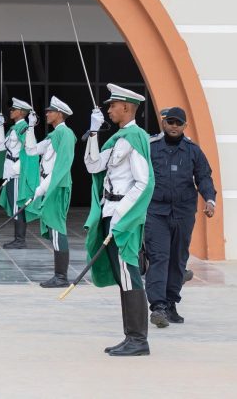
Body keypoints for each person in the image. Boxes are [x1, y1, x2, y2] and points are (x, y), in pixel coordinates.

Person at [84, 83, 154, 356]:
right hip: (110, 213)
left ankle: (138, 339)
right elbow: (93, 165)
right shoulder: (119, 139)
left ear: (126, 107)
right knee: (122, 275)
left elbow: (144, 182)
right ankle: (131, 337)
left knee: (129, 273)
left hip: (122, 218)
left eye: (112, 105)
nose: (109, 110)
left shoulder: (135, 137)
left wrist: (121, 216)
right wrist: (93, 133)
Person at [145, 106, 216, 327]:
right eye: (170, 122)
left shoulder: (193, 151)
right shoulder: (151, 147)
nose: (174, 126)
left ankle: (170, 303)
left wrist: (210, 200)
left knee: (178, 259)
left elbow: (204, 176)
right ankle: (158, 306)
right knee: (159, 257)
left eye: (178, 123)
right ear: (164, 123)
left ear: (185, 126)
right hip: (156, 212)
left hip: (183, 213)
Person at [24, 97, 76, 288]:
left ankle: (61, 277)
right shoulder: (54, 135)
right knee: (54, 229)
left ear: (60, 114)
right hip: (49, 185)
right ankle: (59, 275)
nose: (46, 114)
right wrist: (30, 127)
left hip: (56, 186)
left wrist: (43, 188)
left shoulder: (66, 134)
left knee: (57, 228)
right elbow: (31, 150)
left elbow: (61, 166)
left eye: (50, 111)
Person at [0, 98, 39, 248]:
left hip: (16, 173)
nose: (11, 112)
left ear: (21, 112)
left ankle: (20, 240)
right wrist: (0, 126)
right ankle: (18, 239)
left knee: (17, 206)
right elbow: (1, 147)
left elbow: (30, 151)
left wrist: (16, 169)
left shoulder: (24, 128)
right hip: (9, 171)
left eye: (13, 110)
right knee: (14, 205)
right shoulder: (14, 128)